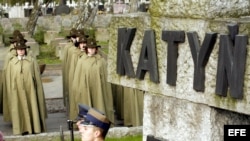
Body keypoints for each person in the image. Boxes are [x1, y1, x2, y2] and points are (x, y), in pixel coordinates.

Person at [2, 41, 47, 135]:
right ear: (16, 51)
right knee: (19, 109)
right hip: (17, 90)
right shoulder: (12, 63)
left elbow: (37, 78)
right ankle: (21, 128)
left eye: (22, 49)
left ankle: (35, 127)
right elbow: (9, 79)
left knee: (32, 107)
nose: (21, 51)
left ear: (25, 50)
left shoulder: (31, 61)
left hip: (30, 90)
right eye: (19, 50)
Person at [71, 38, 115, 123]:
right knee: (87, 104)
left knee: (99, 103)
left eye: (93, 48)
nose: (91, 50)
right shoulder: (82, 61)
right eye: (90, 48)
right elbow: (78, 77)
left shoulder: (101, 61)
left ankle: (100, 122)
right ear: (87, 49)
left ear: (96, 49)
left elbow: (105, 77)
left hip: (98, 88)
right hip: (86, 88)